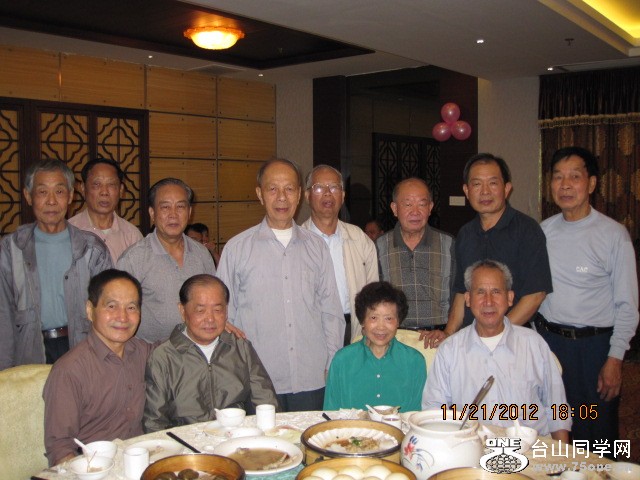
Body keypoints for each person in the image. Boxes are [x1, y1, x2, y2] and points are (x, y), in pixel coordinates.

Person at [217, 158, 344, 412]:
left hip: (311, 377)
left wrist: (332, 362)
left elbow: (331, 312)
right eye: (273, 189)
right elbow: (224, 316)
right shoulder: (237, 249)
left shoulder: (316, 247)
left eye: (289, 189)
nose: (282, 197)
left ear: (299, 194)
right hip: (257, 379)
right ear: (259, 194)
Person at [536, 146, 638, 449]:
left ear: (591, 184)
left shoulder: (613, 235)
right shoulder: (542, 232)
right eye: (558, 177)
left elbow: (627, 306)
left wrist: (615, 358)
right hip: (550, 344)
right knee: (552, 427)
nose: (565, 185)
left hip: (593, 349)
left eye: (575, 177)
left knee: (596, 432)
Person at [423, 260, 571, 441]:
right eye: (480, 292)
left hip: (531, 449)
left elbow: (557, 408)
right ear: (468, 299)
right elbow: (434, 411)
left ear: (510, 297)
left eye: (496, 292)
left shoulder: (534, 344)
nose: (488, 301)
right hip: (472, 448)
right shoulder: (449, 350)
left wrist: (562, 455)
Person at [424, 153, 552, 348]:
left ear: (506, 188)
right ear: (466, 191)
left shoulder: (527, 230)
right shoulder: (465, 234)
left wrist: (496, 335)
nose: (485, 191)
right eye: (477, 184)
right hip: (471, 341)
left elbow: (535, 295)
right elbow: (461, 291)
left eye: (492, 183)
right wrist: (449, 333)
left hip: (513, 340)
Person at [0, 159, 112, 369]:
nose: (51, 201)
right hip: (30, 349)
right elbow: (3, 314)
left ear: (70, 196)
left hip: (81, 348)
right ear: (28, 196)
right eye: (42, 192)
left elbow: (107, 308)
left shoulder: (91, 249)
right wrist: (4, 372)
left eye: (59, 192)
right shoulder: (11, 248)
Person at [43, 269, 153, 466]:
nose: (122, 317)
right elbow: (60, 448)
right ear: (89, 310)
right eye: (111, 306)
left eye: (131, 307)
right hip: (94, 468)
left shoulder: (142, 352)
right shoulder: (69, 371)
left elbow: (179, 349)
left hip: (141, 462)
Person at [143, 274, 278, 432]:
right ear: (182, 310)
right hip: (186, 443)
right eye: (200, 310)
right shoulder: (163, 357)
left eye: (217, 310)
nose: (210, 319)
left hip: (237, 438)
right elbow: (154, 422)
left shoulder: (241, 348)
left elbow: (265, 402)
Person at [117, 178, 216, 342]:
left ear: (189, 212)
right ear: (152, 213)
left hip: (198, 349)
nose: (173, 214)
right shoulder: (133, 259)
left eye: (180, 207)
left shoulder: (202, 254)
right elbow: (120, 314)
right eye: (165, 207)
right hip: (151, 352)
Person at [302, 165, 379, 344]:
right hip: (311, 330)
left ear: (343, 196)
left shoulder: (359, 238)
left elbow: (373, 291)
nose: (327, 193)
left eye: (334, 187)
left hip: (354, 328)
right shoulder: (296, 242)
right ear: (307, 196)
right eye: (319, 188)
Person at [324, 281, 426, 412]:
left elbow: (417, 414)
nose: (381, 327)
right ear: (362, 321)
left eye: (388, 318)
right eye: (373, 318)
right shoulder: (342, 360)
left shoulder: (414, 361)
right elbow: (330, 413)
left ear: (398, 321)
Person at [376, 178, 455, 330]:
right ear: (394, 208)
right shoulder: (379, 246)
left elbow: (459, 295)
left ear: (430, 207)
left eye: (422, 204)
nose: (415, 211)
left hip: (438, 334)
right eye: (408, 204)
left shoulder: (449, 244)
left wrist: (448, 332)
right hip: (394, 334)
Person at [68, 158, 142, 263]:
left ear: (121, 190)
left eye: (111, 184)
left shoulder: (132, 236)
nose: (104, 192)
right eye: (97, 184)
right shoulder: (68, 232)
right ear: (83, 188)